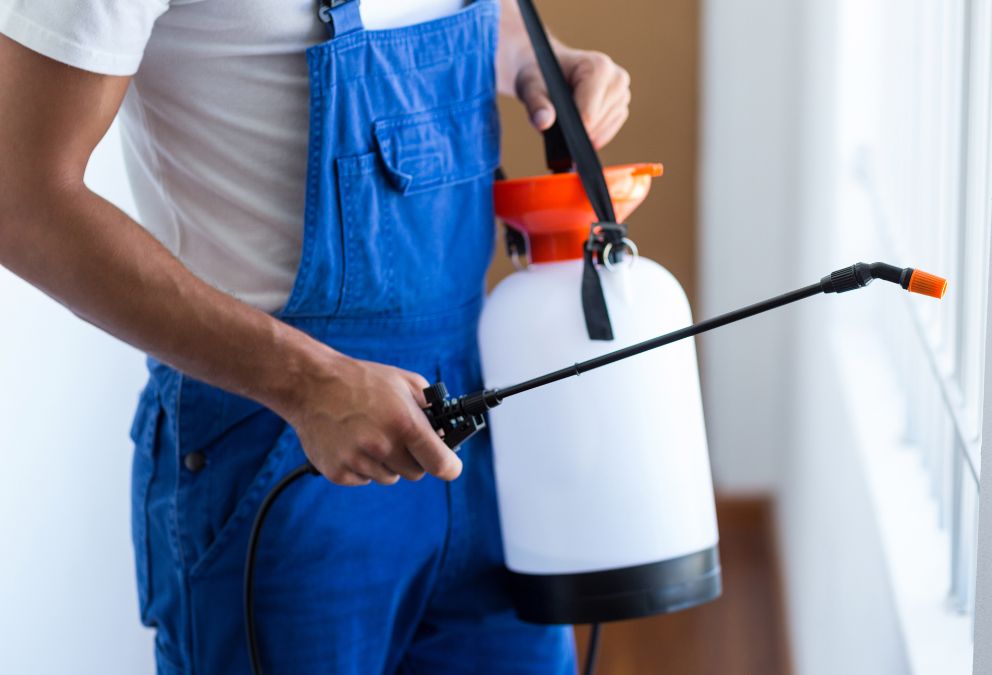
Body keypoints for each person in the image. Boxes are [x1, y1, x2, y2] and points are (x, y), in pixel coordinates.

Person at [0, 0, 631, 672]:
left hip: (482, 434)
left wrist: (533, 60)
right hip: (276, 446)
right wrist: (306, 382)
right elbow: (22, 200)